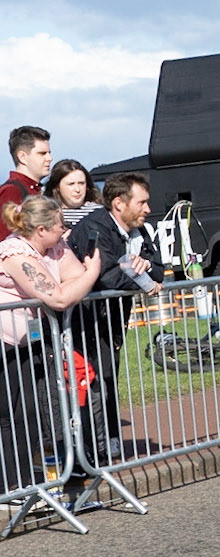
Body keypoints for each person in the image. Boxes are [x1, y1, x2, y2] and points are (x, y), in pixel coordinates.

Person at [66, 172, 169, 472]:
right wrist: (144, 282)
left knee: (109, 375)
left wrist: (146, 267)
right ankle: (91, 451)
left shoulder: (140, 231)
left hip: (112, 318)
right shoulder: (95, 227)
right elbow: (106, 274)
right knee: (92, 381)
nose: (148, 209)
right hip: (84, 319)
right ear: (119, 203)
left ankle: (108, 440)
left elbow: (161, 266)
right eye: (142, 202)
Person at [0, 195, 102, 497]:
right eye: (60, 226)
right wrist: (92, 272)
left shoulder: (53, 246)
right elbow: (58, 298)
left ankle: (20, 485)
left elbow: (73, 281)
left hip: (28, 341)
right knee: (10, 415)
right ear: (41, 230)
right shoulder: (16, 254)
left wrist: (78, 281)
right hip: (5, 342)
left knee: (30, 413)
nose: (66, 230)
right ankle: (9, 488)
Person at [0, 126, 52, 217]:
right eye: (42, 153)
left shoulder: (38, 190)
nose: (49, 158)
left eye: (49, 153)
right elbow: (7, 230)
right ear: (22, 157)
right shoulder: (12, 191)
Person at [44, 159, 101, 230]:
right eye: (71, 184)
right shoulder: (46, 214)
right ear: (57, 187)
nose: (77, 189)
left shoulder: (100, 213)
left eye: (81, 183)